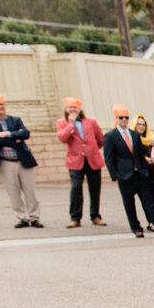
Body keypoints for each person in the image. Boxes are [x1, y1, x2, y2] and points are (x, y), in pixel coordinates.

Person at [102, 104, 154, 237]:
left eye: (126, 117)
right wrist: (115, 175)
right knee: (129, 204)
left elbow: (139, 155)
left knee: (148, 201)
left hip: (140, 174)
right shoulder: (110, 136)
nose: (124, 120)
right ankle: (136, 228)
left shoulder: (134, 135)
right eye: (121, 117)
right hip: (124, 175)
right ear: (116, 118)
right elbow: (109, 158)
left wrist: (144, 169)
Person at [0, 94, 42, 229]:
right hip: (5, 162)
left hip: (23, 160)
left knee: (30, 190)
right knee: (13, 191)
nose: (0, 107)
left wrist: (8, 134)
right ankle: (22, 217)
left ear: (5, 105)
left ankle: (34, 217)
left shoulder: (15, 120)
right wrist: (15, 139)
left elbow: (26, 134)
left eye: (2, 104)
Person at [56, 97, 105, 229]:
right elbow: (62, 138)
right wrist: (70, 124)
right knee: (76, 188)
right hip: (75, 161)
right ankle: (75, 218)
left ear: (79, 109)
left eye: (75, 107)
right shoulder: (62, 122)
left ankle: (95, 215)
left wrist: (91, 150)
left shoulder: (91, 122)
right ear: (66, 109)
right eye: (70, 107)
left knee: (95, 188)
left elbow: (100, 139)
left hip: (92, 159)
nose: (73, 110)